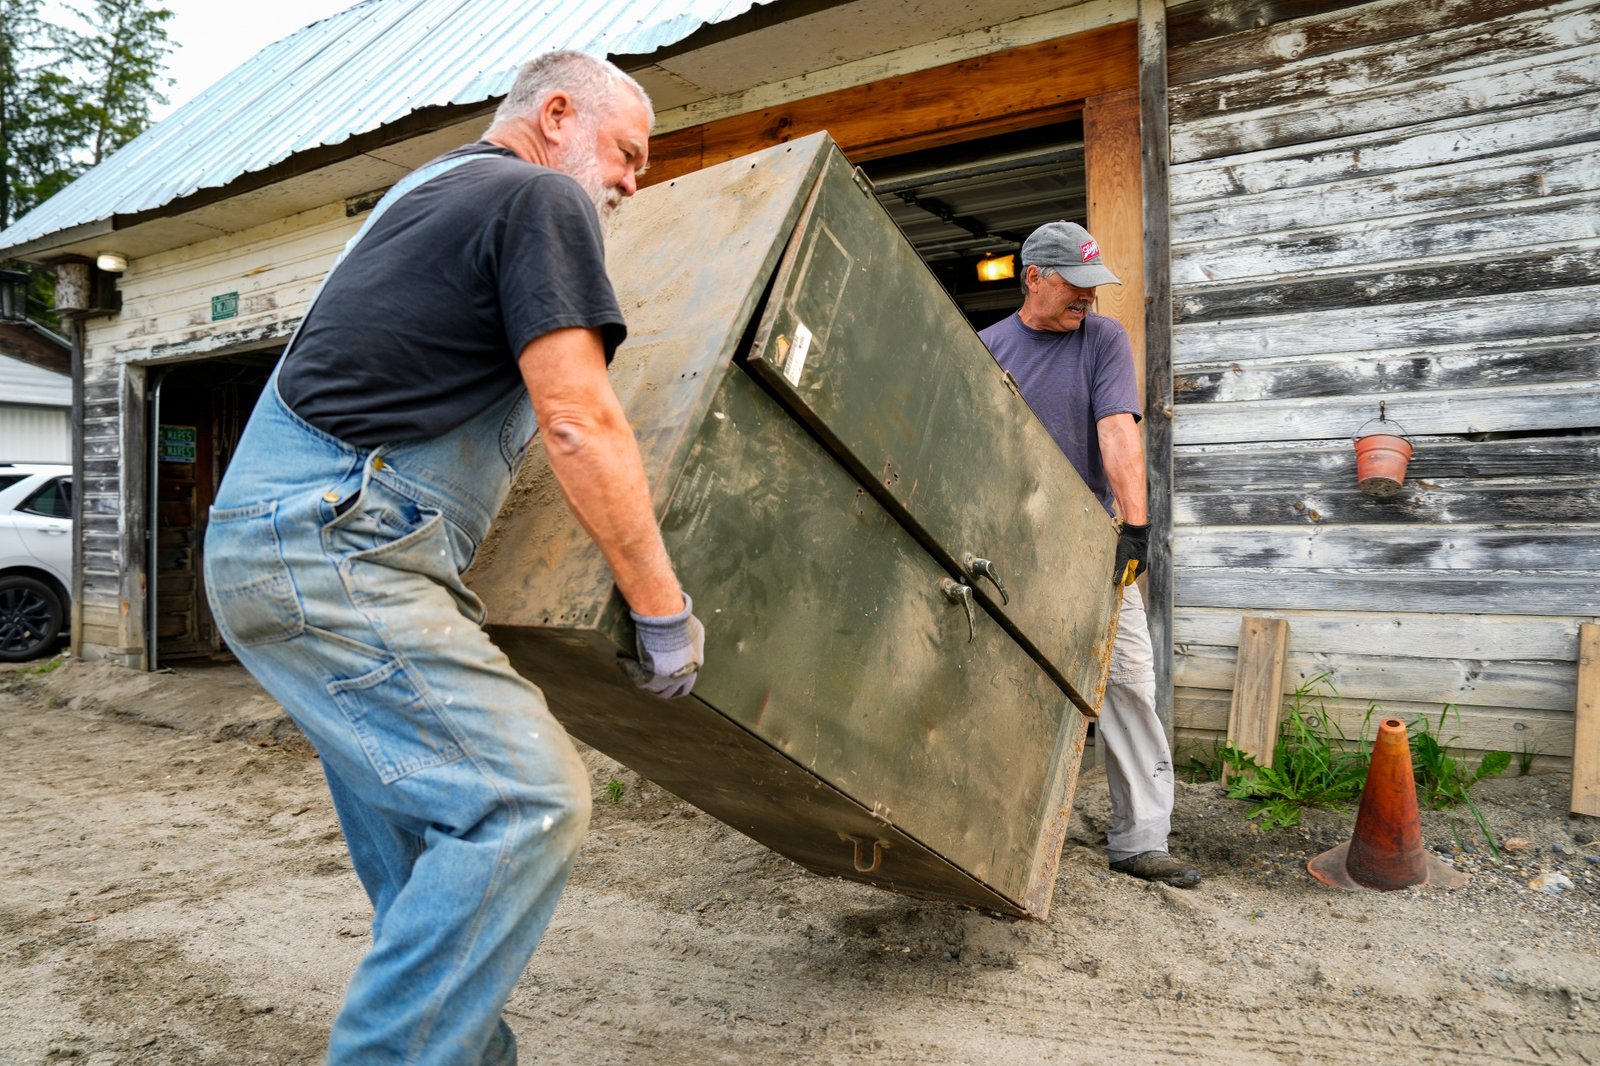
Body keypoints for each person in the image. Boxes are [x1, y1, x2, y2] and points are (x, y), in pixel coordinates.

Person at [202, 51, 705, 1064]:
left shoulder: (423, 191)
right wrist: (661, 609)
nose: (630, 181)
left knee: (435, 865)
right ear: (557, 114)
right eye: (627, 153)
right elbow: (579, 423)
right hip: (340, 549)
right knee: (524, 804)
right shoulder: (534, 196)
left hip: (272, 550)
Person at [978, 220, 1199, 889]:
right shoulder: (986, 349)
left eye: (1093, 288)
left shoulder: (1103, 339)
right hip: (1011, 545)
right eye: (1074, 287)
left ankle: (1141, 838)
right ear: (1033, 280)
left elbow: (1118, 432)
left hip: (1095, 541)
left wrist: (1136, 528)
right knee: (1009, 683)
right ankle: (1000, 822)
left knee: (1130, 677)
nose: (1087, 300)